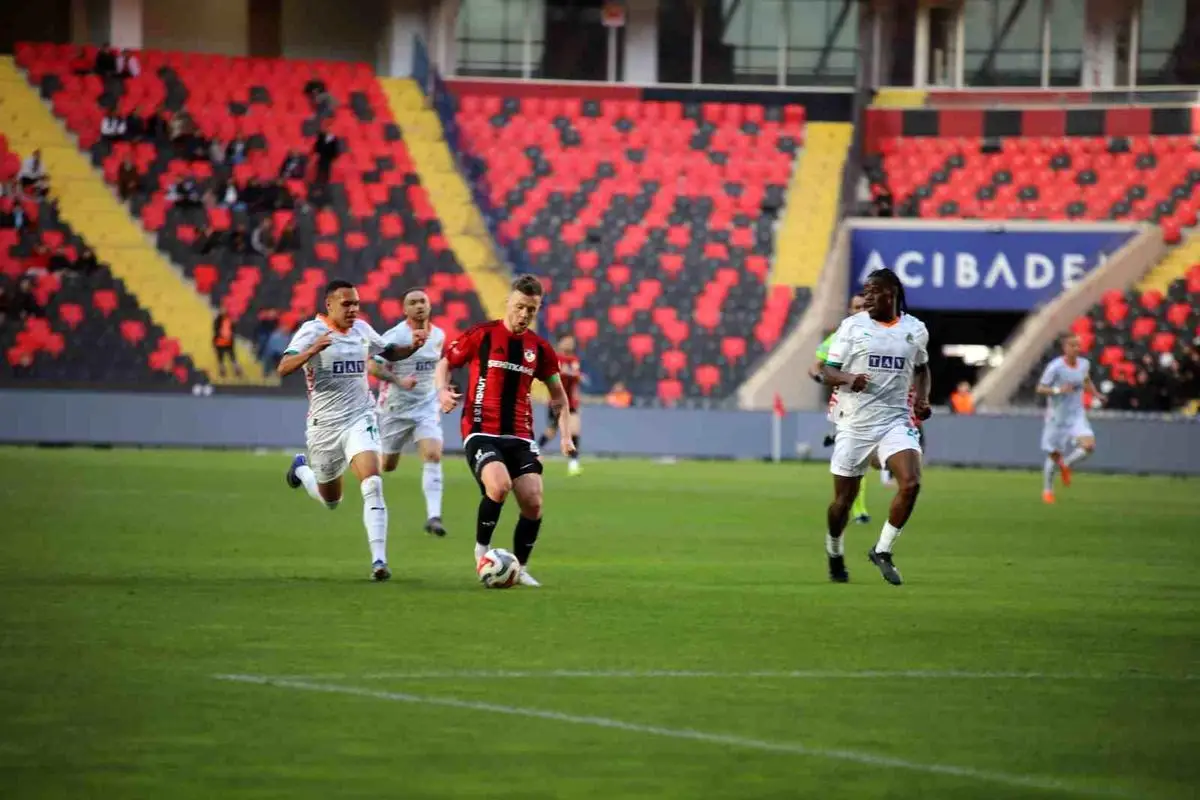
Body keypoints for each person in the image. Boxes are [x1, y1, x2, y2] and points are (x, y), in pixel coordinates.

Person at [281, 279, 428, 581]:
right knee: (330, 500)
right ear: (329, 304)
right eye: (347, 304)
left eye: (356, 304)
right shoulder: (312, 331)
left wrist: (411, 347)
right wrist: (311, 351)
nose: (353, 309)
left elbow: (389, 351)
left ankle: (379, 561)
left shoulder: (362, 330)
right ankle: (301, 471)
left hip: (361, 417)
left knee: (372, 482)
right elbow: (283, 367)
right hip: (324, 426)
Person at [435, 274, 575, 587]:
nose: (524, 315)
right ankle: (481, 552)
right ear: (508, 302)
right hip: (481, 430)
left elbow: (558, 395)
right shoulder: (482, 334)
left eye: (532, 310)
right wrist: (442, 391)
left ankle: (520, 568)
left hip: (521, 436)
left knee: (534, 502)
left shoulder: (539, 349)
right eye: (521, 307)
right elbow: (445, 362)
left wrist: (565, 435)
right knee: (498, 486)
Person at [821, 268, 930, 586]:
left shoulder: (915, 329)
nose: (867, 297)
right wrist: (849, 378)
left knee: (911, 483)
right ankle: (835, 550)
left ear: (892, 292)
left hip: (895, 419)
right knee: (843, 501)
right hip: (854, 423)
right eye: (864, 292)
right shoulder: (852, 327)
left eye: (873, 291)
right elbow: (829, 371)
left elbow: (922, 368)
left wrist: (922, 399)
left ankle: (882, 550)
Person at [369, 289, 448, 538]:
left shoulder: (438, 336)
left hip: (426, 406)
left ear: (430, 305)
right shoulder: (394, 336)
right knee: (387, 465)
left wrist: (443, 389)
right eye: (412, 302)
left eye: (422, 301)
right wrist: (398, 380)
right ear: (405, 310)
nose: (419, 306)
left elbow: (437, 367)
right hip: (395, 409)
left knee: (433, 454)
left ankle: (433, 516)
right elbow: (373, 365)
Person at [812, 293, 871, 524]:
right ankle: (858, 510)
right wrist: (829, 379)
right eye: (856, 307)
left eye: (864, 306)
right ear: (849, 310)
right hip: (849, 403)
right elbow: (816, 366)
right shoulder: (841, 335)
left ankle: (837, 437)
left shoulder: (885, 333)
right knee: (857, 462)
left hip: (878, 404)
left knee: (872, 459)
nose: (861, 311)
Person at [1036, 334, 1103, 504]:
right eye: (1073, 346)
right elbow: (1041, 388)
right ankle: (1048, 490)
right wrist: (1059, 390)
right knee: (1054, 454)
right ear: (1065, 348)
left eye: (1078, 346)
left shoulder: (1084, 364)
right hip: (1057, 417)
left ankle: (1066, 464)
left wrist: (1096, 394)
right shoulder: (1055, 367)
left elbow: (1086, 381)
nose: (1077, 349)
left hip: (1076, 414)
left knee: (1089, 445)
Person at [537, 334, 584, 475]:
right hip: (556, 401)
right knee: (552, 431)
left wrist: (577, 395)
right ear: (560, 343)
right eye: (567, 341)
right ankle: (536, 449)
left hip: (571, 402)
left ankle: (574, 462)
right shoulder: (555, 358)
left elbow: (576, 380)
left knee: (575, 430)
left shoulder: (575, 360)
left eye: (571, 342)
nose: (569, 344)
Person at [212, 311, 243, 378]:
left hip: (221, 341)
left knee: (221, 357)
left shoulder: (219, 320)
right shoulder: (228, 320)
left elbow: (215, 330)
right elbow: (233, 330)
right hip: (227, 341)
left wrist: (214, 342)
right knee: (231, 356)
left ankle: (223, 370)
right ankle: (236, 369)